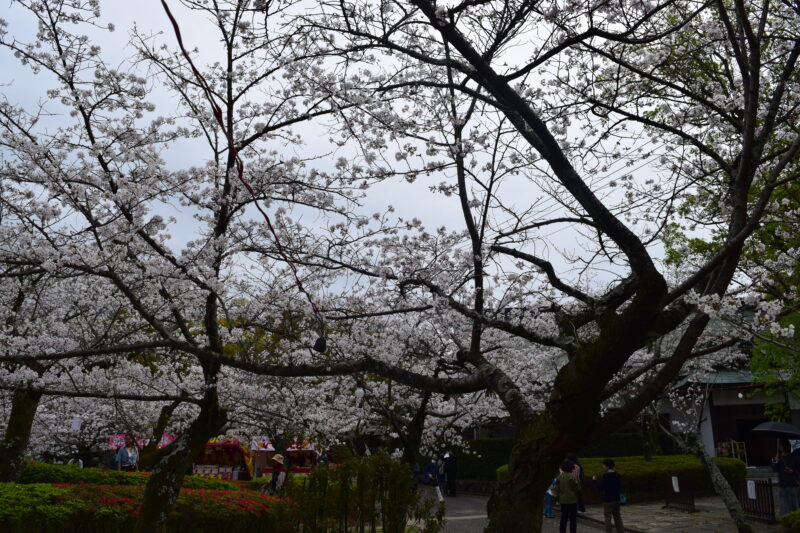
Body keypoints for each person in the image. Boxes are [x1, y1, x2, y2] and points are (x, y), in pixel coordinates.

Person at [593, 459, 624, 533]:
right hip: (616, 499)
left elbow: (600, 488)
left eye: (603, 465)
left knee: (607, 518)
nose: (602, 466)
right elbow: (619, 487)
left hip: (607, 500)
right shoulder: (617, 475)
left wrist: (595, 480)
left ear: (608, 466)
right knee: (617, 517)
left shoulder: (605, 476)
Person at [773, 439, 800, 517]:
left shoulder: (793, 456)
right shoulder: (779, 458)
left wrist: (792, 471)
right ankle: (785, 518)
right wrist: (775, 461)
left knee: (794, 502)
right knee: (784, 503)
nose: (779, 447)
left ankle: (796, 518)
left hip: (792, 483)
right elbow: (775, 469)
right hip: (783, 483)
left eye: (781, 445)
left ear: (785, 446)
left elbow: (798, 468)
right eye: (779, 445)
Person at [554, 460, 581, 533]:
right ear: (572, 468)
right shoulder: (573, 477)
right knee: (573, 519)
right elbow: (578, 488)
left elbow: (557, 489)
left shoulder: (559, 477)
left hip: (563, 500)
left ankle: (562, 531)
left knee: (563, 517)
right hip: (572, 500)